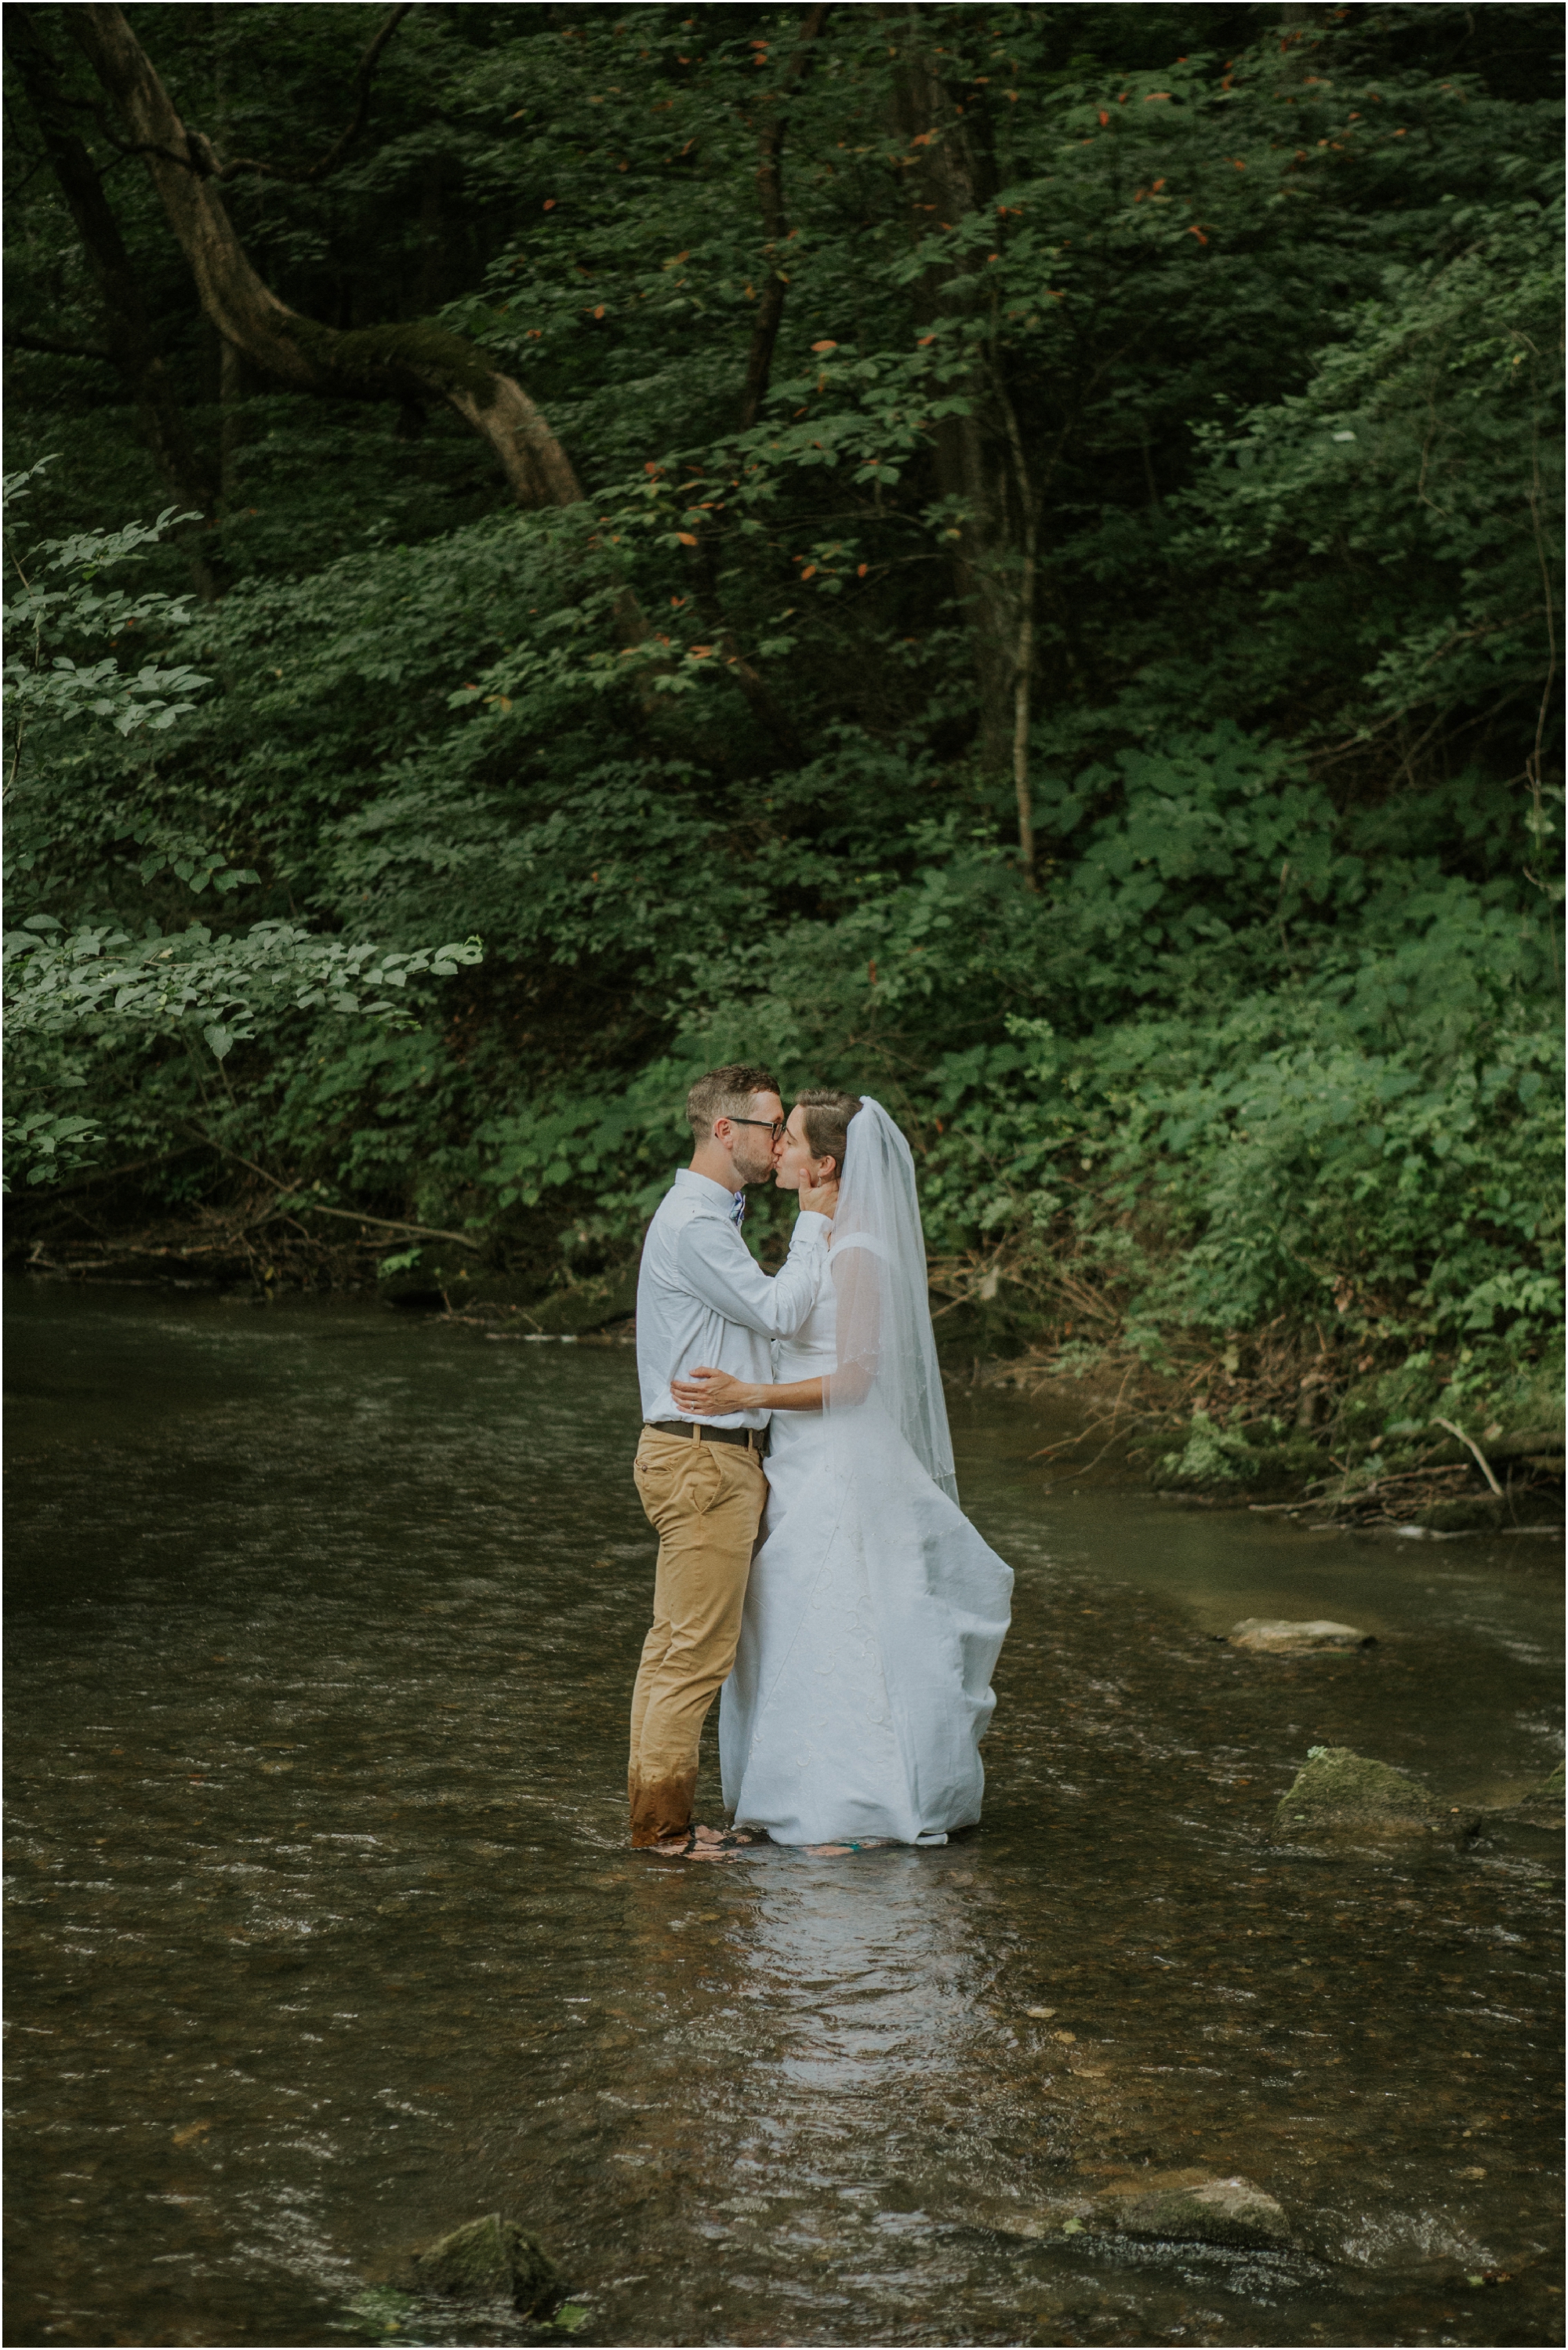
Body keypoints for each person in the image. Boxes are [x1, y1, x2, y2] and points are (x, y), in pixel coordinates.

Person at [672, 1092, 1013, 1850]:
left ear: (824, 1164)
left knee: (840, 1620)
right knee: (789, 1621)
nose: (778, 1153)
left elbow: (856, 1375)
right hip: (798, 1459)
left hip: (843, 1459)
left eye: (789, 1141)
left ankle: (861, 1803)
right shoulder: (821, 1235)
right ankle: (797, 1791)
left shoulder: (857, 1247)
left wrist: (748, 1394)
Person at [630, 1064, 838, 1852]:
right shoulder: (694, 1225)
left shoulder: (712, 1218)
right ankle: (661, 1835)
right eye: (770, 1126)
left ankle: (660, 1825)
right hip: (702, 1461)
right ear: (726, 1132)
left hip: (707, 1455)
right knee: (690, 1658)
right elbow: (781, 1315)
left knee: (675, 1652)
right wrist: (816, 1219)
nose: (780, 1140)